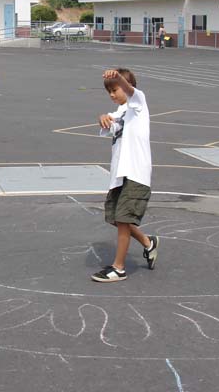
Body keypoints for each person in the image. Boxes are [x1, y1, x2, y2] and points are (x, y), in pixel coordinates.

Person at [92, 68, 159, 283]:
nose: (112, 94)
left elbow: (129, 90)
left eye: (115, 89)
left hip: (136, 173)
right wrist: (102, 118)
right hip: (119, 175)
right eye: (109, 91)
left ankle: (118, 268)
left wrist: (118, 77)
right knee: (116, 218)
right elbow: (109, 123)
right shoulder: (119, 112)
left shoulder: (138, 104)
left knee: (123, 219)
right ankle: (148, 242)